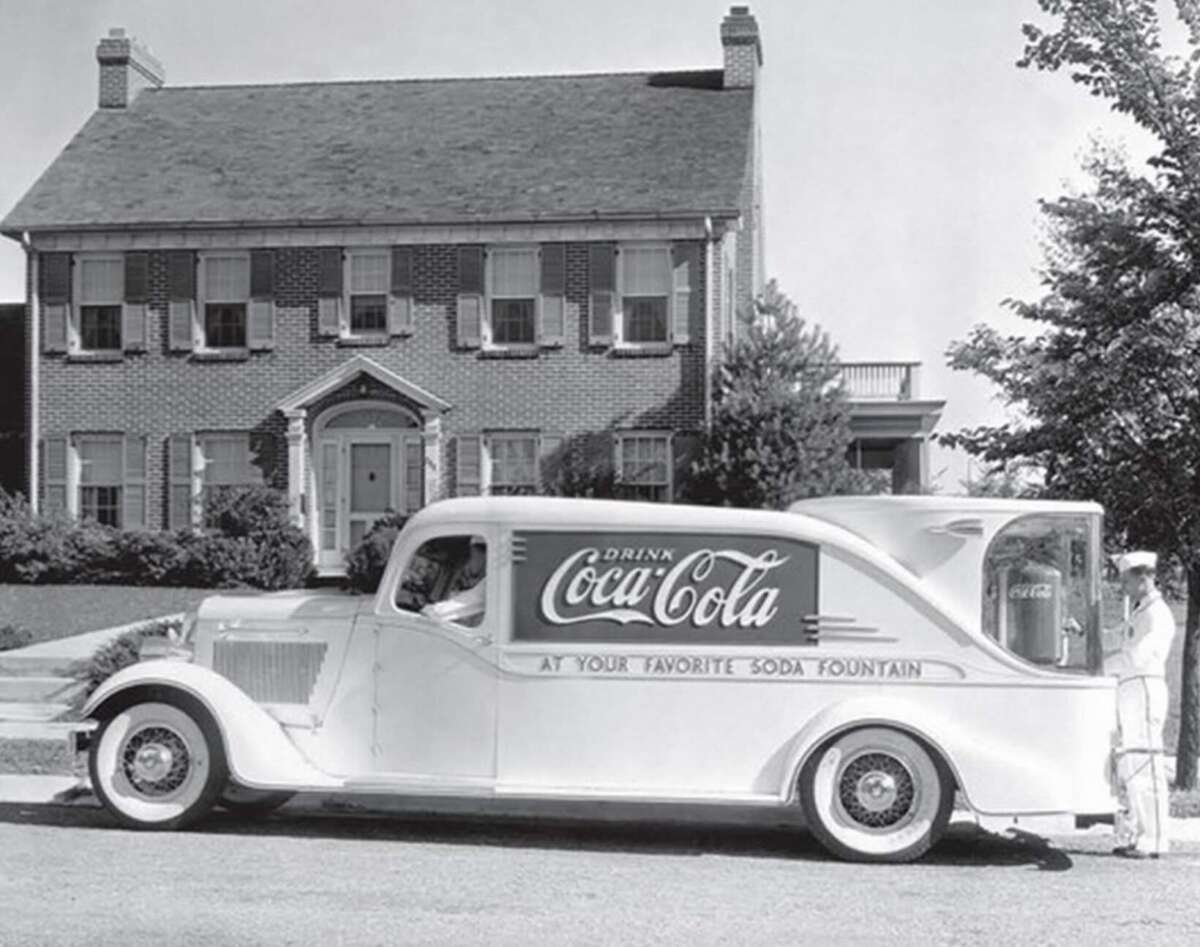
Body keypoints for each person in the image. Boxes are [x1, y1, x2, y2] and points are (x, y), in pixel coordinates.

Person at [1104, 551, 1176, 859]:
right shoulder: (1140, 612)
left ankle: (1156, 837)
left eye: (1127, 580)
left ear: (1144, 578)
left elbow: (1136, 655)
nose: (1124, 586)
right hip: (1131, 687)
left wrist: (1103, 666)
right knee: (1132, 764)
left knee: (1146, 762)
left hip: (1145, 686)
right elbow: (1118, 640)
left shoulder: (1157, 614)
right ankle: (1139, 832)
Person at [422, 537, 487, 626]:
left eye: (472, 556)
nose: (468, 564)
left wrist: (431, 611)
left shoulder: (489, 584)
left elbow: (468, 601)